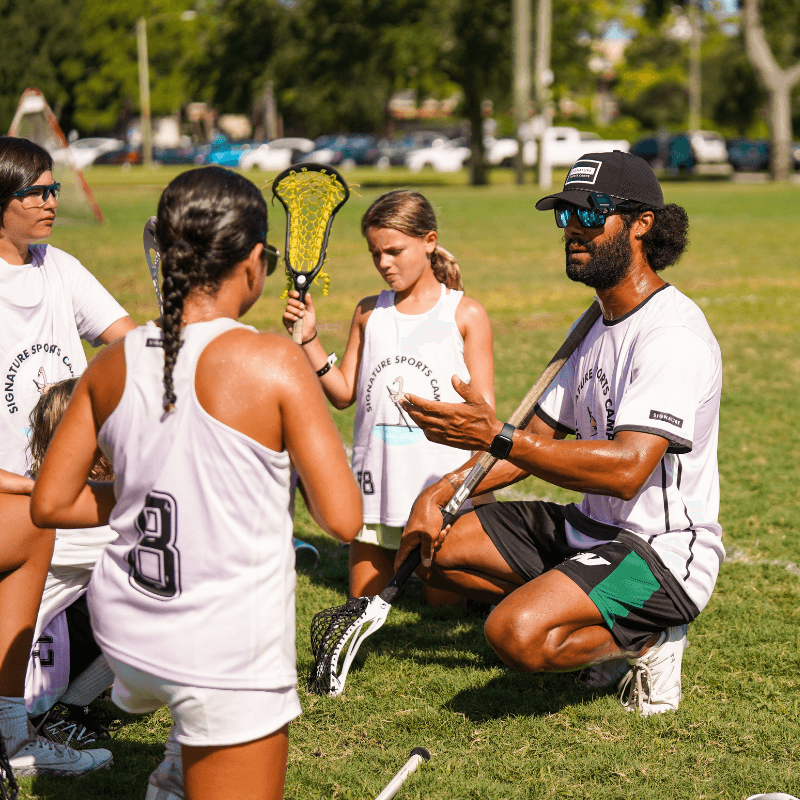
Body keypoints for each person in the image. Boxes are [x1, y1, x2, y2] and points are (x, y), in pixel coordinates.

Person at [30, 166, 362, 800]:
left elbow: (50, 502)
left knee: (190, 750)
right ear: (253, 263)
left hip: (129, 633)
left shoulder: (110, 363)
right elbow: (342, 519)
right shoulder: (275, 362)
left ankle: (178, 770)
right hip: (220, 646)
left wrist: (146, 489)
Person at [395, 151, 724, 716]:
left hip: (659, 560)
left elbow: (626, 471)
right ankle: (581, 602)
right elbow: (537, 439)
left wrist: (500, 436)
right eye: (566, 214)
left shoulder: (671, 335)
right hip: (589, 531)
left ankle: (647, 639)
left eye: (592, 213)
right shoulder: (595, 321)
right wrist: (444, 490)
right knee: (438, 548)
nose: (574, 229)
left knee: (515, 634)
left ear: (641, 224)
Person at [283, 189, 495, 602]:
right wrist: (308, 339)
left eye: (394, 251)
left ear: (429, 242)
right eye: (375, 253)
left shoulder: (465, 314)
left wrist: (471, 492)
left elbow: (483, 415)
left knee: (443, 607)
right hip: (375, 489)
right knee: (362, 601)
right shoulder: (368, 312)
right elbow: (343, 393)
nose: (383, 263)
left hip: (436, 493)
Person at [0, 134, 133, 777]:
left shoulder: (60, 267)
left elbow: (131, 346)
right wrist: (18, 489)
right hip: (14, 506)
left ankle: (57, 718)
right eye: (37, 191)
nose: (53, 201)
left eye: (54, 188)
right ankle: (19, 732)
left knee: (172, 556)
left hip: (67, 499)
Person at [23, 379, 119, 747]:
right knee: (157, 593)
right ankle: (59, 712)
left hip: (23, 653)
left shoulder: (39, 486)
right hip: (24, 681)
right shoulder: (87, 520)